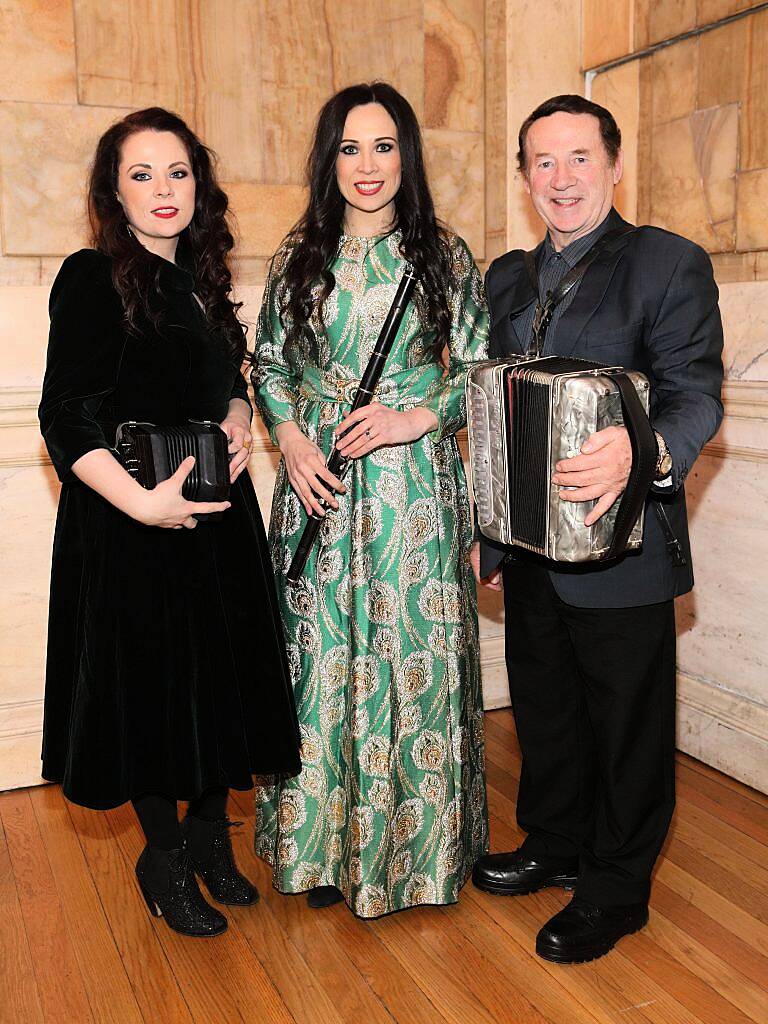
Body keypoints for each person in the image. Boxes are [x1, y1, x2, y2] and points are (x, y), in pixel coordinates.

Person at [470, 94, 724, 962]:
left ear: (616, 166)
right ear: (524, 177)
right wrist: (494, 532)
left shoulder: (667, 263)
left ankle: (617, 888)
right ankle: (554, 840)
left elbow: (696, 393)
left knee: (627, 723)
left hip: (626, 546)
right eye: (543, 161)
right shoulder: (503, 276)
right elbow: (494, 407)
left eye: (580, 157)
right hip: (531, 545)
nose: (562, 178)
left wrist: (641, 450)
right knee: (545, 707)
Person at [38, 107, 301, 938]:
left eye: (178, 171)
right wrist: (143, 504)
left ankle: (205, 836)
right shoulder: (91, 277)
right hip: (131, 523)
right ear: (113, 192)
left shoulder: (202, 279)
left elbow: (225, 381)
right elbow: (65, 417)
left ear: (200, 185)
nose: (163, 189)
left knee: (220, 686)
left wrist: (235, 412)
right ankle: (163, 859)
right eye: (142, 174)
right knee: (148, 697)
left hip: (215, 515)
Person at [251, 82, 489, 918]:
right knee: (321, 664)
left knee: (404, 659)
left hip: (411, 491)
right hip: (319, 488)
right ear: (329, 159)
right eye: (350, 148)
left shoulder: (445, 255)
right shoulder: (298, 254)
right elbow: (270, 363)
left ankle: (412, 856)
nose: (367, 165)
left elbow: (478, 370)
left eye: (384, 146)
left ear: (406, 156)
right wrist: (291, 437)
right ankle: (322, 850)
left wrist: (412, 416)